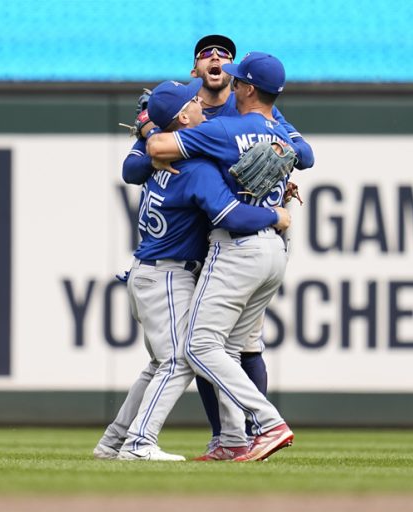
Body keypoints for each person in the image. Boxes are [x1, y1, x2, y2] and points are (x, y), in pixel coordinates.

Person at [122, 34, 314, 453]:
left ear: (242, 83)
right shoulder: (185, 102)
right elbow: (135, 164)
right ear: (195, 70)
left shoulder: (232, 118)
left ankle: (256, 428)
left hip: (237, 236)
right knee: (218, 346)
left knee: (212, 346)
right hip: (248, 238)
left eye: (225, 56)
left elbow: (305, 152)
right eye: (207, 54)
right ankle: (229, 439)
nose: (216, 59)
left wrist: (154, 131)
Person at [93, 78, 291, 461]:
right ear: (184, 116)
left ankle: (113, 442)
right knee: (182, 359)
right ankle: (138, 444)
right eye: (195, 101)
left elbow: (139, 158)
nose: (203, 102)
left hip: (151, 272)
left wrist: (149, 128)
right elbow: (228, 213)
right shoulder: (195, 167)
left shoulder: (160, 157)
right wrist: (275, 213)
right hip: (168, 275)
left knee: (159, 364)